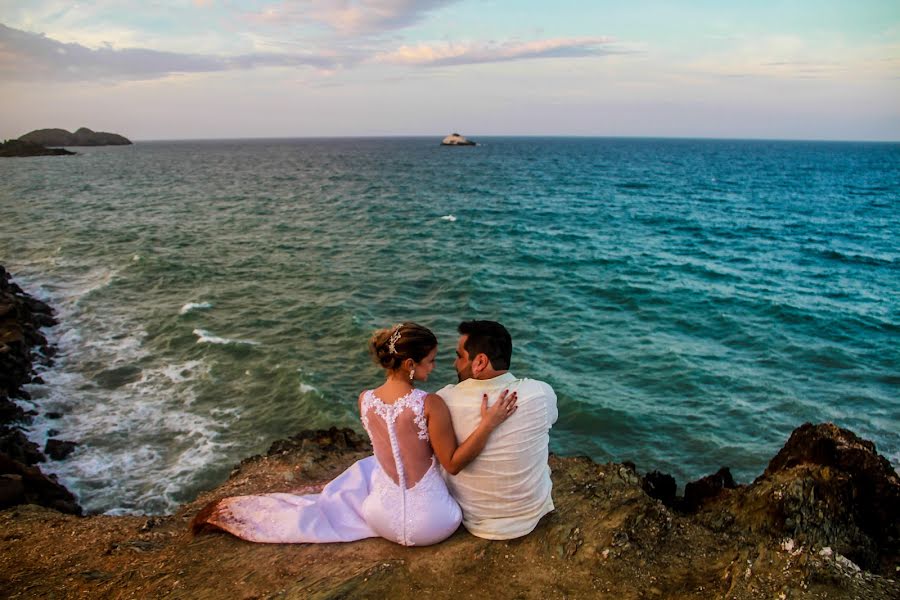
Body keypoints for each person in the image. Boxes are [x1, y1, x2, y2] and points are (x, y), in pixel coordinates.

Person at [192, 322, 517, 546]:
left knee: (370, 472)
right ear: (409, 364)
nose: (434, 368)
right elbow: (454, 462)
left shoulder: (366, 400)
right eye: (430, 361)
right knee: (452, 496)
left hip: (380, 518)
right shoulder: (429, 404)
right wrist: (488, 423)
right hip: (433, 524)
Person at [436, 320, 558, 540]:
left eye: (459, 356)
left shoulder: (445, 401)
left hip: (477, 518)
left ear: (480, 361)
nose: (455, 363)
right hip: (530, 512)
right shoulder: (541, 393)